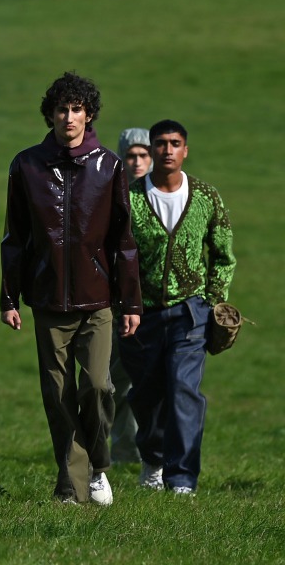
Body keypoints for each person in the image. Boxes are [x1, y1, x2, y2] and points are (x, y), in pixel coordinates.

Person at [0, 72, 141, 505]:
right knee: (56, 395)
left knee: (98, 386)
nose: (68, 116)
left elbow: (123, 240)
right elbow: (15, 237)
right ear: (52, 115)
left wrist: (130, 302)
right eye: (61, 109)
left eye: (76, 109)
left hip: (98, 299)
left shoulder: (110, 166)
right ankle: (71, 485)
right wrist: (9, 297)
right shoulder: (26, 165)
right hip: (46, 298)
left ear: (88, 114)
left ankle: (97, 467)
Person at [120, 120, 235, 496]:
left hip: (191, 312)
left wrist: (214, 301)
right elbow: (114, 255)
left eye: (175, 143)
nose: (167, 150)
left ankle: (182, 479)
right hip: (141, 316)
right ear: (151, 150)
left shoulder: (205, 196)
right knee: (146, 396)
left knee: (184, 390)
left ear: (186, 150)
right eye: (161, 144)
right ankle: (152, 458)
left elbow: (223, 255)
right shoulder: (130, 198)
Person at [109, 128, 152, 463]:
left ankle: (157, 450)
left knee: (159, 381)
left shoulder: (164, 194)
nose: (137, 162)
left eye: (143, 155)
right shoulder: (112, 194)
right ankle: (125, 451)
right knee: (118, 380)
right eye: (131, 155)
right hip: (118, 301)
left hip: (157, 303)